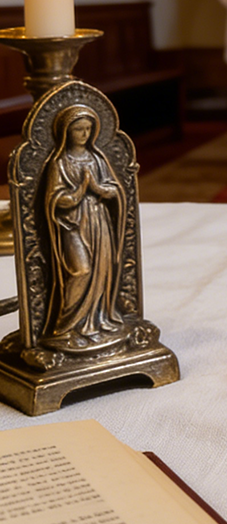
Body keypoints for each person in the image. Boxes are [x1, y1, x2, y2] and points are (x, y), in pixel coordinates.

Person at [42, 105, 126, 350]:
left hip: (98, 222)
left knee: (101, 270)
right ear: (66, 131)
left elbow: (115, 191)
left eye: (88, 129)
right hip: (72, 225)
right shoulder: (59, 163)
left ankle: (95, 321)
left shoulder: (97, 159)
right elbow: (54, 201)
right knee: (81, 270)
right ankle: (65, 327)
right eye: (78, 129)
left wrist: (99, 190)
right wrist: (80, 191)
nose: (84, 134)